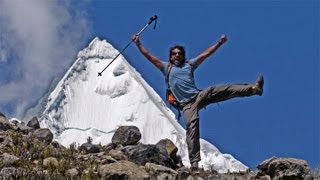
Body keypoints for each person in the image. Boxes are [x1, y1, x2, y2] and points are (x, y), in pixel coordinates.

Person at [132, 34, 264, 170]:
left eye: (179, 53)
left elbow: (205, 54)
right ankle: (194, 163)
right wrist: (138, 43)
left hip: (199, 96)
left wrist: (219, 43)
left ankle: (253, 89)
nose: (177, 55)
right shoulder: (167, 68)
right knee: (192, 129)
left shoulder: (189, 65)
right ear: (170, 57)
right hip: (186, 105)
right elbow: (149, 56)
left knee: (222, 89)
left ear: (183, 56)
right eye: (174, 54)